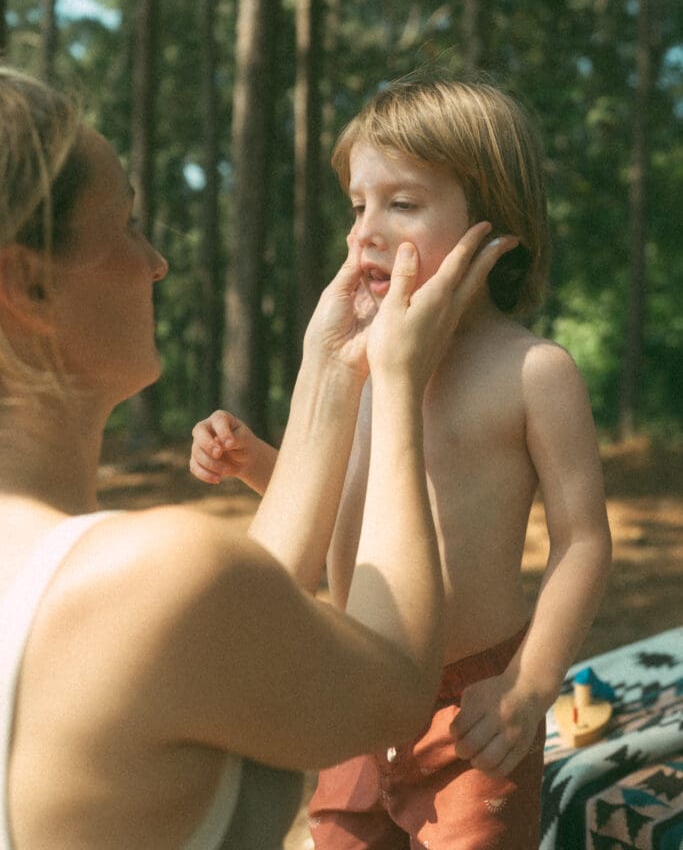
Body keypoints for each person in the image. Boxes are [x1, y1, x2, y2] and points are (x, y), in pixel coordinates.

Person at [0, 65, 516, 850]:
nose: (155, 262)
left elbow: (242, 619)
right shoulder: (151, 579)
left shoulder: (123, 593)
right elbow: (395, 684)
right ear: (28, 285)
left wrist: (333, 369)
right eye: (127, 225)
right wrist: (398, 384)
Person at [190, 77, 613, 849]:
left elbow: (582, 540)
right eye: (358, 206)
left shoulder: (531, 372)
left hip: (470, 708)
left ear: (496, 220)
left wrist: (527, 683)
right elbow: (345, 502)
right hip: (353, 684)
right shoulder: (357, 357)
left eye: (402, 204)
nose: (365, 233)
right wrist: (257, 462)